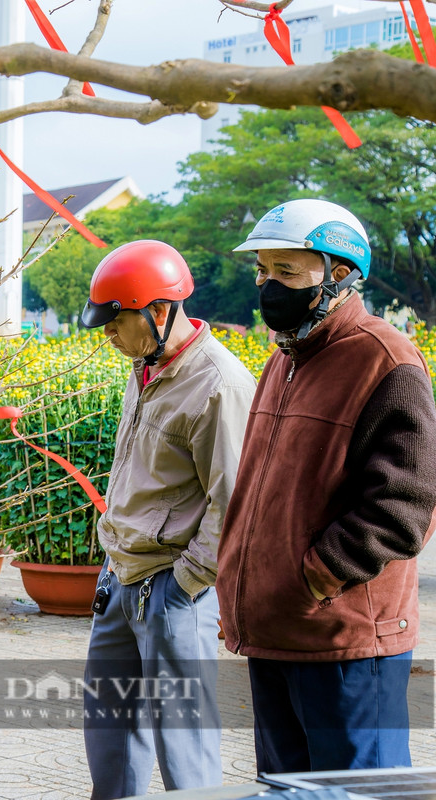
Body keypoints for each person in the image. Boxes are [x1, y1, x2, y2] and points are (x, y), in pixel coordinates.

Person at [216, 199, 436, 774]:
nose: (268, 285)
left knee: (358, 789)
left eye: (286, 272)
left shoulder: (385, 360)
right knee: (286, 789)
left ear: (338, 274)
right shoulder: (283, 360)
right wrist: (245, 588)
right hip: (277, 631)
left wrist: (318, 575)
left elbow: (406, 505)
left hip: (345, 640)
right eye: (262, 270)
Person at [79, 240, 256, 799]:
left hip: (172, 589)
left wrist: (183, 586)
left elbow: (235, 503)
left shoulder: (220, 386)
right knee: (109, 737)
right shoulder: (146, 365)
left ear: (159, 311)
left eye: (116, 321)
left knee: (184, 749)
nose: (108, 333)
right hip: (120, 577)